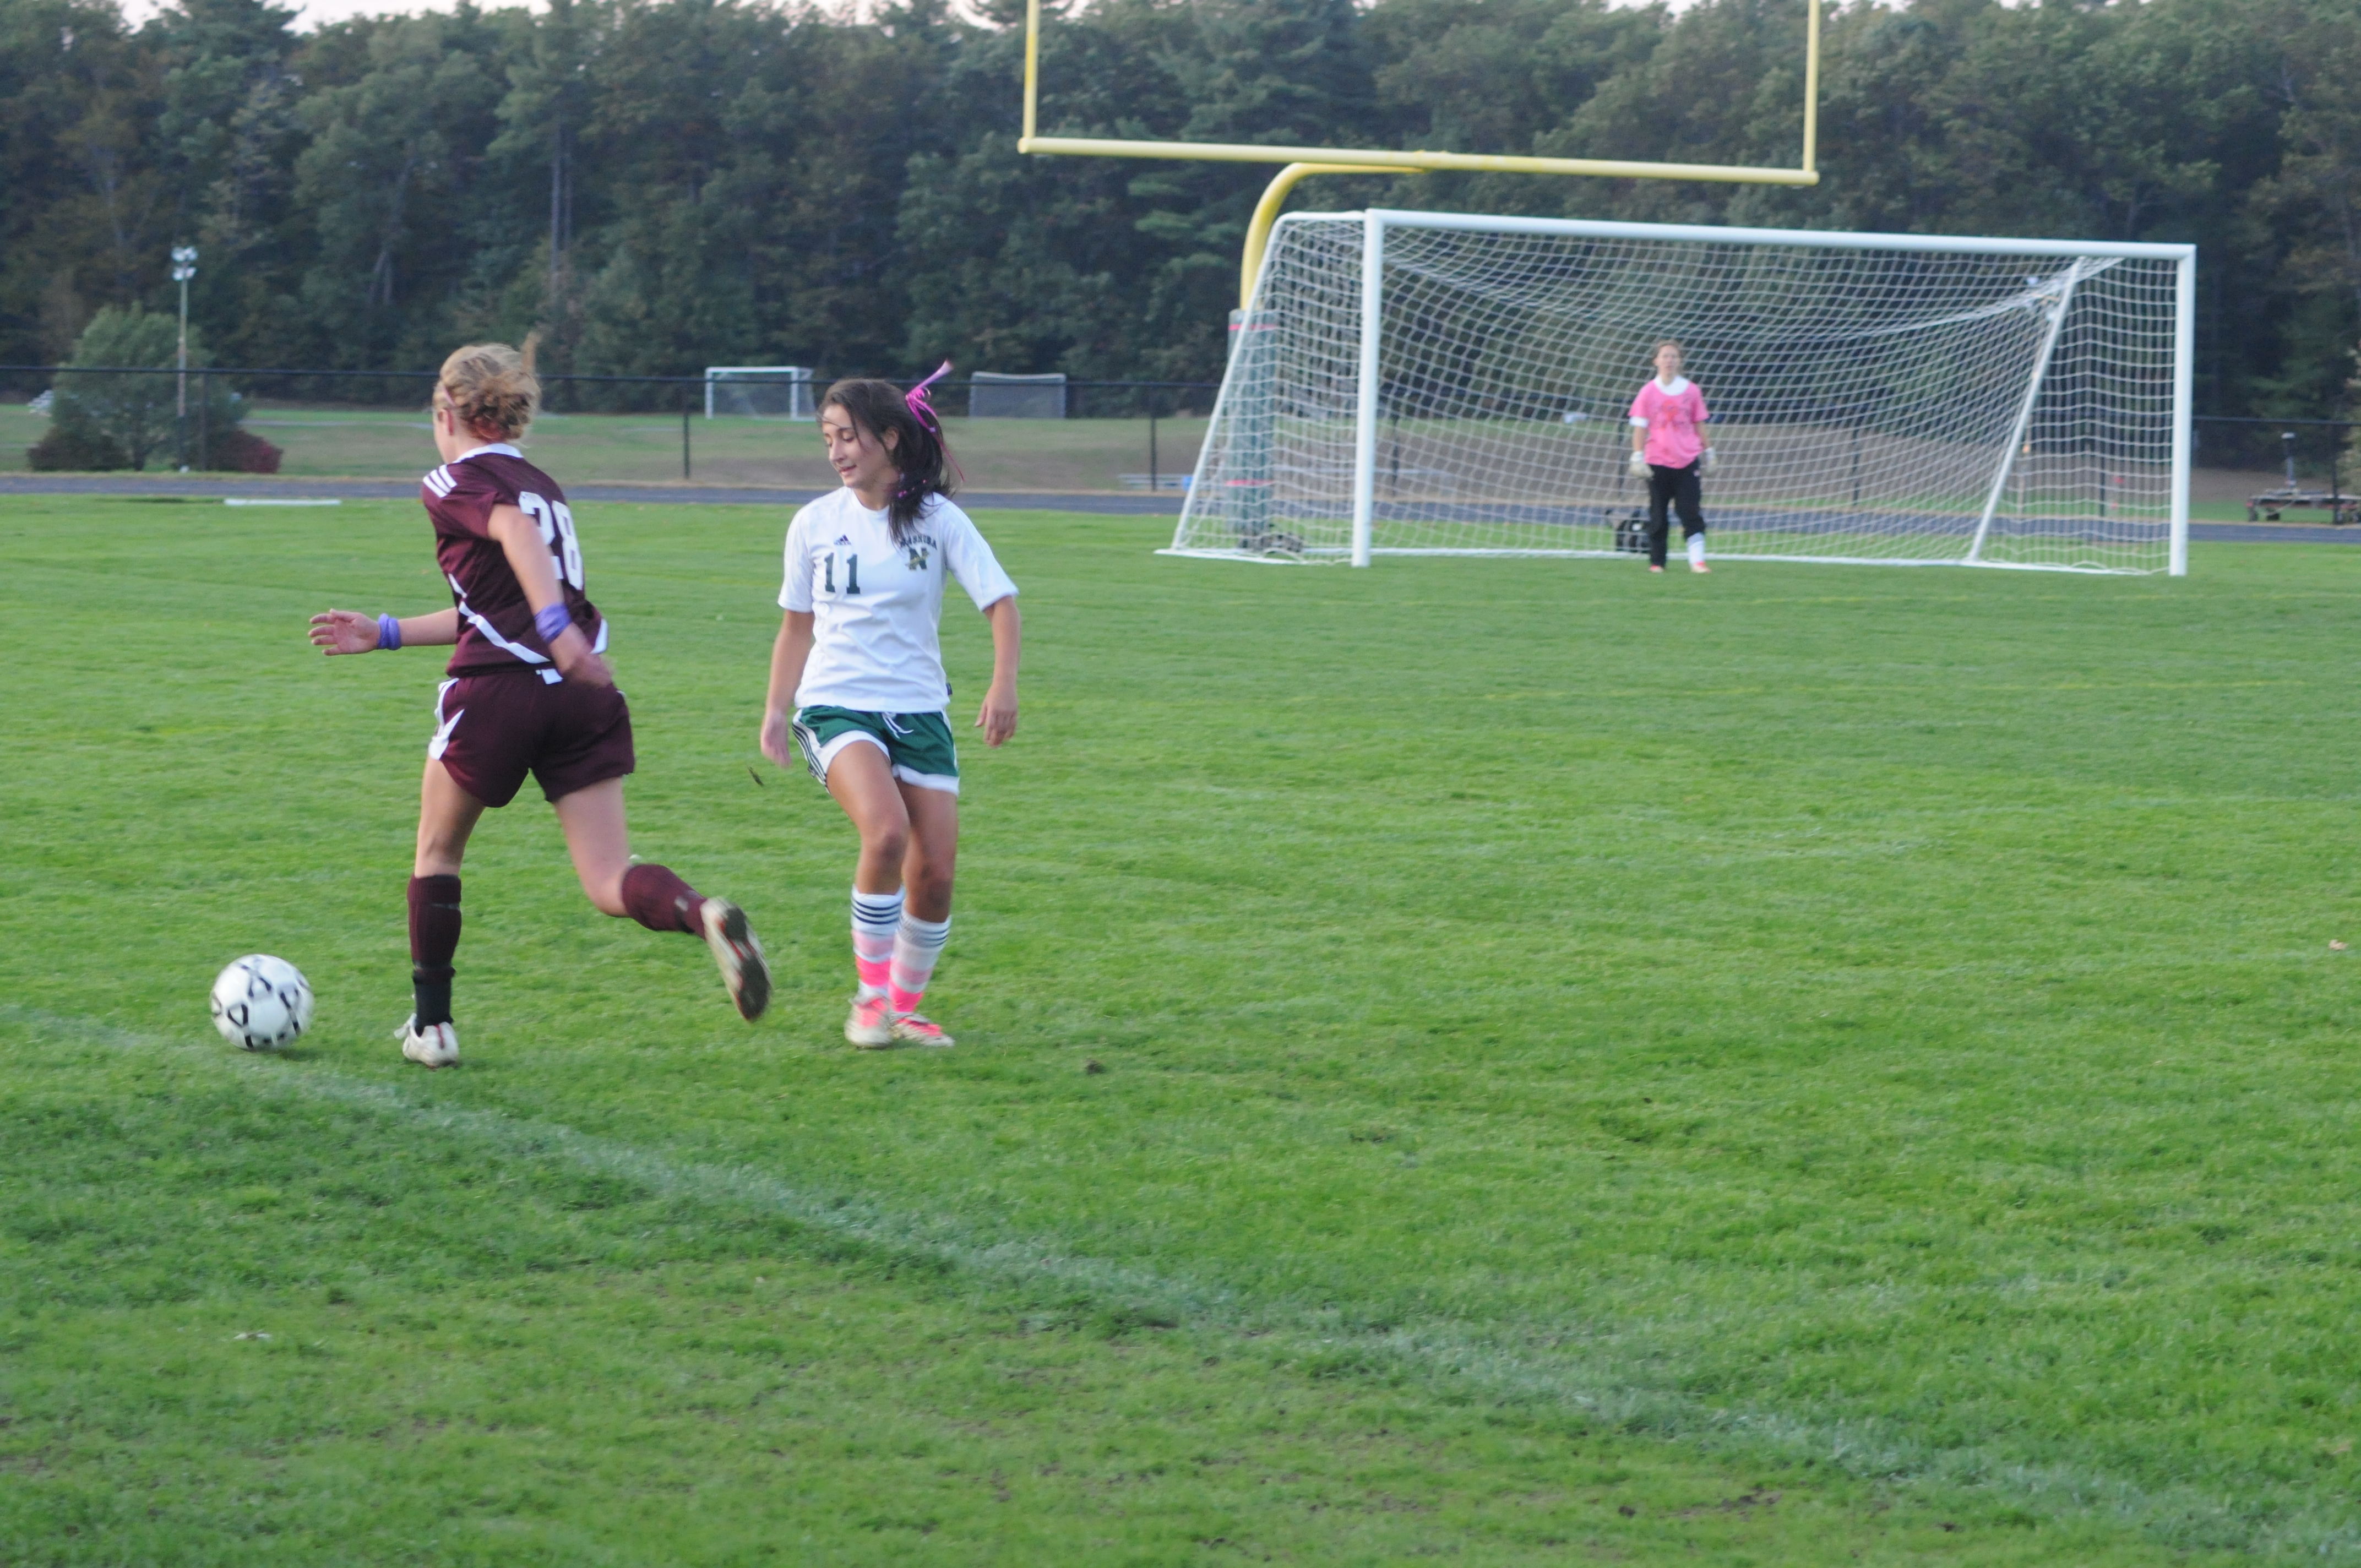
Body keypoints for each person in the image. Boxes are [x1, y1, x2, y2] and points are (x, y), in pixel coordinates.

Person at [308, 340, 769, 1068]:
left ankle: (433, 1028)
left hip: (503, 692)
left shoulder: (453, 479)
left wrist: (554, 631)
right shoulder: (543, 485)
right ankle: (701, 912)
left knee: (437, 852)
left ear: (447, 411)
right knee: (608, 878)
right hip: (582, 695)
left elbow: (513, 540)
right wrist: (388, 632)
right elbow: (499, 601)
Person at [758, 366, 1021, 1050]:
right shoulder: (814, 523)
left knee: (935, 874)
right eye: (828, 439)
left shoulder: (938, 520)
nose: (836, 452)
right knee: (885, 833)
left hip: (920, 711)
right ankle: (869, 1000)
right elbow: (796, 626)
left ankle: (904, 1007)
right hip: (836, 705)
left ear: (891, 438)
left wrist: (1003, 685)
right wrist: (776, 708)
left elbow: (1000, 603)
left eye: (848, 437)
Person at [1627, 340, 1714, 574]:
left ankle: (1697, 561)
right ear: (1656, 361)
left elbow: (1699, 423)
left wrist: (1709, 452)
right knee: (1658, 513)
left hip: (1687, 461)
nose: (1669, 360)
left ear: (1680, 361)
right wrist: (1637, 456)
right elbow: (1640, 427)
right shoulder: (1648, 392)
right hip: (1657, 462)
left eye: (1674, 356)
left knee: (1690, 510)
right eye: (1665, 356)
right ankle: (1657, 562)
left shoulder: (1691, 391)